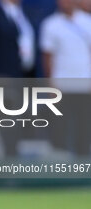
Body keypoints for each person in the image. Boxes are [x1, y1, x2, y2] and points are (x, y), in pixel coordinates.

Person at [40, 0, 91, 155]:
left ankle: (83, 164)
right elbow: (48, 57)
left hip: (85, 85)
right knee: (61, 127)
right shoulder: (50, 24)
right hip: (61, 85)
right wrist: (51, 84)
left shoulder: (87, 22)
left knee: (84, 127)